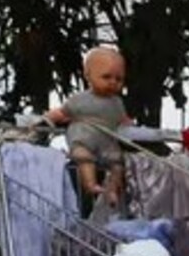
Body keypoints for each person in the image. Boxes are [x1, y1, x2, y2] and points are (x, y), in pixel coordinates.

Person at [46, 46, 133, 205]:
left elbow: (123, 120)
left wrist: (130, 125)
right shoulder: (80, 100)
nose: (113, 82)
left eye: (119, 79)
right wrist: (46, 119)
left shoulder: (117, 103)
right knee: (84, 158)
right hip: (83, 139)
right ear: (88, 75)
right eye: (106, 77)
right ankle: (90, 185)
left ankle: (113, 189)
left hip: (107, 141)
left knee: (117, 162)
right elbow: (62, 113)